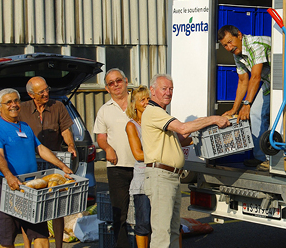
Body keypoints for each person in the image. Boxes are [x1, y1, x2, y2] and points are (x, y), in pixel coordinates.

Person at [141, 74, 230, 248]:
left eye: (171, 89)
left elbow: (180, 139)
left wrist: (205, 128)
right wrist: (213, 119)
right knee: (162, 233)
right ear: (152, 90)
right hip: (161, 177)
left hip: (171, 177)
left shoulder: (161, 114)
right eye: (164, 88)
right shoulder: (154, 112)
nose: (168, 92)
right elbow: (182, 128)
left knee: (174, 230)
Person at [0, 88, 73, 248]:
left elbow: (40, 149)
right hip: (8, 188)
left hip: (31, 190)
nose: (14, 105)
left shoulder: (25, 126)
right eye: (9, 102)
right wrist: (9, 176)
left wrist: (61, 165)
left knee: (41, 236)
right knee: (7, 240)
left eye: (16, 101)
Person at [19, 76, 77, 248]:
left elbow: (65, 130)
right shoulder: (22, 109)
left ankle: (58, 246)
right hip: (30, 164)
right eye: (41, 91)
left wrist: (71, 145)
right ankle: (28, 245)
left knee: (56, 207)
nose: (46, 93)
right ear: (31, 95)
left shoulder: (57, 106)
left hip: (54, 162)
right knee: (28, 208)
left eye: (46, 89)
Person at [218, 25, 271, 170]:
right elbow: (243, 81)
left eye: (230, 42)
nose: (229, 47)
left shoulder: (256, 45)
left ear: (239, 35)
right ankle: (262, 158)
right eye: (225, 45)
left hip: (281, 82)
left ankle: (277, 159)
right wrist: (234, 109)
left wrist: (246, 104)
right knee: (255, 114)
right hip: (271, 83)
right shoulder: (237, 54)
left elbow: (255, 77)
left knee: (277, 117)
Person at [94, 68, 135, 248]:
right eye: (111, 83)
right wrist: (107, 148)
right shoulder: (104, 110)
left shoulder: (139, 103)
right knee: (119, 214)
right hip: (117, 168)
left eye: (118, 80)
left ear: (126, 81)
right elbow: (100, 137)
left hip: (143, 165)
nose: (116, 85)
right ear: (106, 88)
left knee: (146, 212)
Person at [125, 85, 151, 248]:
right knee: (143, 223)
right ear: (134, 104)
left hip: (159, 177)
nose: (147, 102)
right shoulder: (132, 125)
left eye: (148, 98)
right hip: (143, 179)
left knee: (162, 223)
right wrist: (162, 154)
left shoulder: (154, 121)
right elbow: (138, 154)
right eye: (143, 100)